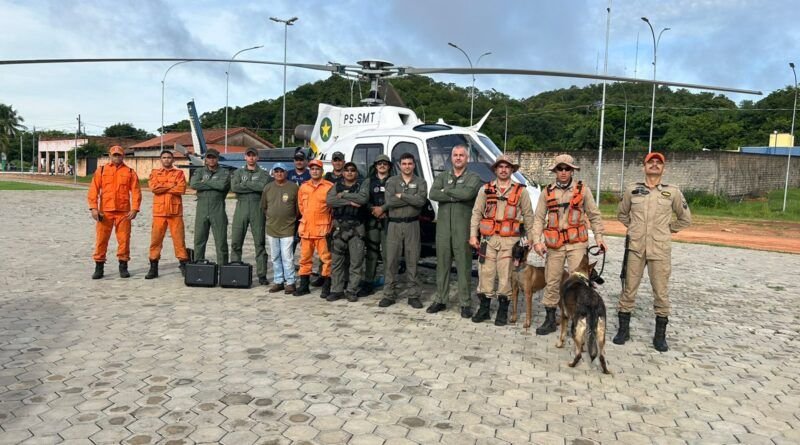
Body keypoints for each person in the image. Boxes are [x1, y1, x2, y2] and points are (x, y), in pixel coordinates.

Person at [614, 152, 691, 352]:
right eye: (651, 162)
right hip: (636, 248)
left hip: (659, 249)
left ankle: (660, 336)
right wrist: (634, 228)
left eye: (659, 163)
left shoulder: (672, 192)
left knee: (661, 292)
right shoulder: (632, 190)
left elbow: (685, 218)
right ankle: (623, 330)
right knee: (628, 289)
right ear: (644, 166)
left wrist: (667, 230)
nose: (655, 165)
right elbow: (622, 213)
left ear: (663, 168)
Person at [531, 154, 608, 335]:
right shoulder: (547, 192)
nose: (564, 172)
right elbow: (539, 218)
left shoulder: (583, 190)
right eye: (560, 168)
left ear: (572, 171)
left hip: (577, 244)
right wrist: (537, 241)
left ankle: (579, 319)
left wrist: (599, 238)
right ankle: (550, 319)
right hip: (555, 245)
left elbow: (594, 215)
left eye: (567, 169)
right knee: (552, 280)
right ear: (555, 171)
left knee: (579, 283)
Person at [469, 155, 536, 325]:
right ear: (495, 169)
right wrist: (473, 235)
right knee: (485, 273)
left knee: (506, 276)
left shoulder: (521, 191)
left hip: (510, 242)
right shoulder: (485, 189)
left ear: (512, 170)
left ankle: (502, 311)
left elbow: (529, 215)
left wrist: (531, 238)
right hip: (488, 240)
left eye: (507, 167)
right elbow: (476, 213)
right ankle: (484, 309)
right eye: (501, 166)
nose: (504, 170)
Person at [427, 145, 483, 318]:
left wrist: (447, 192)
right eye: (455, 155)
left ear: (467, 158)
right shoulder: (442, 176)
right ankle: (440, 299)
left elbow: (468, 194)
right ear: (451, 158)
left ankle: (465, 303)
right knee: (442, 265)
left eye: (461, 155)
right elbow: (433, 193)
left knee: (464, 266)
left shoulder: (473, 177)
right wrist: (456, 194)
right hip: (443, 228)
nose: (458, 158)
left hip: (462, 229)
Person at [379, 153, 428, 309]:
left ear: (414, 165)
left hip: (412, 224)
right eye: (404, 163)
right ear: (400, 165)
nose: (407, 166)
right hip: (394, 225)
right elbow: (390, 201)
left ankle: (413, 295)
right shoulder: (392, 181)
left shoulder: (420, 182)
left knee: (413, 260)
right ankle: (388, 294)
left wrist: (402, 195)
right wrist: (410, 198)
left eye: (410, 163)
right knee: (391, 260)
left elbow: (420, 201)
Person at [87, 145, 142, 279]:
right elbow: (93, 190)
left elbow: (136, 192)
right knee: (101, 240)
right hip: (105, 212)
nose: (117, 157)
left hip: (123, 212)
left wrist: (135, 208)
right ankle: (99, 267)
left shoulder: (130, 172)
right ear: (110, 156)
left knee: (124, 240)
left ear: (123, 156)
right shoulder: (101, 170)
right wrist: (94, 208)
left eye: (119, 155)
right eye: (114, 155)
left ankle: (123, 266)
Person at [326, 162, 368, 302]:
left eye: (352, 170)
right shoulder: (336, 185)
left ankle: (351, 290)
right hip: (339, 228)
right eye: (347, 170)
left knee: (356, 262)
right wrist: (349, 201)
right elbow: (330, 201)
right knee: (336, 262)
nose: (349, 172)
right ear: (343, 173)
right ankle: (336, 290)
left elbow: (362, 199)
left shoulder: (361, 185)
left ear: (356, 172)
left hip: (356, 228)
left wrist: (343, 195)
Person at [145, 150, 190, 279]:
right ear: (160, 159)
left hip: (175, 213)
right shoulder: (155, 173)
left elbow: (181, 189)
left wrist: (163, 186)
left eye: (169, 157)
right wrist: (171, 185)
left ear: (173, 160)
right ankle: (153, 267)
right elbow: (154, 188)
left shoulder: (179, 173)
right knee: (156, 240)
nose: (166, 159)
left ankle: (183, 264)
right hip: (159, 213)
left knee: (179, 240)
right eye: (164, 157)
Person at [294, 159, 334, 297]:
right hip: (306, 229)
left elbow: (332, 209)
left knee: (326, 259)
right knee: (304, 259)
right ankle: (304, 286)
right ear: (309, 171)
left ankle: (326, 286)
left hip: (322, 230)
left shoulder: (329, 187)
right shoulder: (304, 187)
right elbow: (301, 207)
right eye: (312, 169)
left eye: (317, 169)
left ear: (322, 171)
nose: (315, 171)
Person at [230, 147, 270, 284]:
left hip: (257, 207)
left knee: (259, 242)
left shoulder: (263, 173)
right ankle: (235, 270)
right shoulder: (238, 172)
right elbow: (234, 187)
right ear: (245, 157)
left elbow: (262, 187)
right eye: (249, 155)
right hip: (241, 206)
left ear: (257, 157)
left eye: (254, 155)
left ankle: (262, 274)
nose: (251, 158)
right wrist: (253, 185)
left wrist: (245, 184)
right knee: (236, 240)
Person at [261, 162, 299, 294]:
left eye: (281, 171)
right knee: (275, 257)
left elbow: (298, 209)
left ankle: (290, 282)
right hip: (272, 228)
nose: (279, 174)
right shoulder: (268, 187)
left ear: (286, 173)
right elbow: (264, 207)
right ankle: (278, 281)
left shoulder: (294, 187)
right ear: (273, 173)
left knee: (287, 257)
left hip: (288, 228)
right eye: (276, 171)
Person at [189, 148, 231, 265]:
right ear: (206, 159)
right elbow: (193, 184)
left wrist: (205, 182)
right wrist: (213, 184)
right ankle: (199, 267)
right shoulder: (200, 171)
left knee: (221, 241)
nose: (211, 160)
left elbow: (222, 186)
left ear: (217, 159)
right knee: (199, 240)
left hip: (218, 208)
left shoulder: (224, 172)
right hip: (202, 209)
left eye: (214, 157)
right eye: (209, 157)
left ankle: (223, 267)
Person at [361, 154, 392, 297]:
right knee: (371, 253)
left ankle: (389, 284)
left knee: (388, 254)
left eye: (385, 163)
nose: (382, 166)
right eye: (379, 163)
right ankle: (368, 282)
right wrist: (373, 210)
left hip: (388, 221)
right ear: (375, 166)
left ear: (389, 166)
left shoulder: (393, 180)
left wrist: (384, 209)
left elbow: (396, 199)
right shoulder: (368, 181)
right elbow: (363, 198)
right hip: (372, 221)